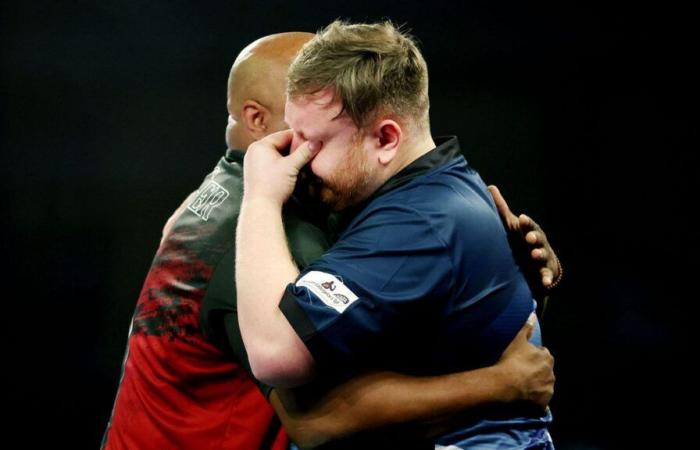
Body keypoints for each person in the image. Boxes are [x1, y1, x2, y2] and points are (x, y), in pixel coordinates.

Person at [102, 31, 560, 450]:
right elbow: (316, 420)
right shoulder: (264, 229)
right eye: (298, 120)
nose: (306, 146)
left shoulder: (216, 196)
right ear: (258, 119)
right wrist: (501, 384)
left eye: (319, 129)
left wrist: (496, 275)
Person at [236, 21, 557, 449]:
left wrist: (259, 196)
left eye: (314, 143)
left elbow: (275, 354)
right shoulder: (438, 187)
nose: (296, 159)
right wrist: (498, 382)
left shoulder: (419, 223)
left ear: (386, 138)